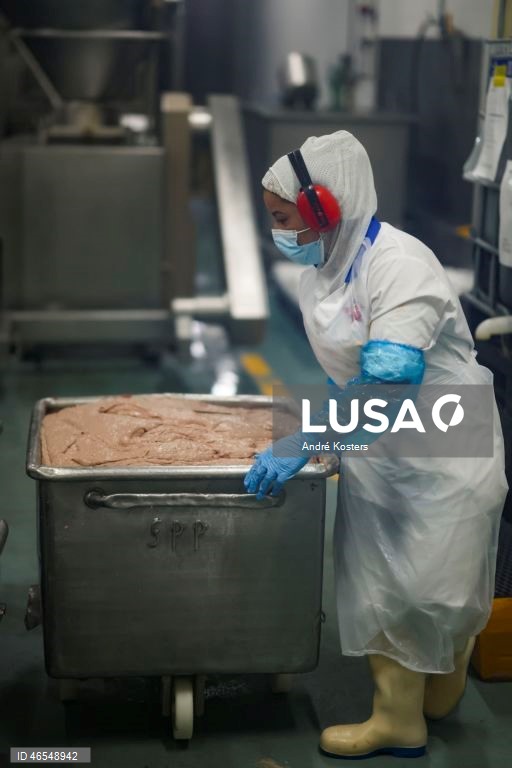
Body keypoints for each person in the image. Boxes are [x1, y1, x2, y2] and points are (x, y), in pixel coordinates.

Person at [244, 131, 509, 759]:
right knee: (384, 584)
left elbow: (390, 383)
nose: (279, 232)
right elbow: (350, 379)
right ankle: (409, 706)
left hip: (442, 447)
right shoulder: (323, 274)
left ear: (322, 210)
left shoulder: (398, 266)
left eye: (284, 219)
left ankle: (402, 716)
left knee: (426, 585)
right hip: (378, 449)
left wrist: (306, 438)